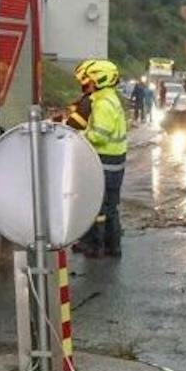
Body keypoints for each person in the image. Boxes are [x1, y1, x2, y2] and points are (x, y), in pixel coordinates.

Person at [65, 58, 128, 258]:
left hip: (103, 162)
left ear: (98, 80)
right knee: (110, 207)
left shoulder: (101, 103)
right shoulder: (111, 99)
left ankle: (94, 246)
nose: (85, 84)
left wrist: (79, 136)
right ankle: (112, 246)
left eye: (88, 80)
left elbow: (99, 136)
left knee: (95, 206)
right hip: (115, 162)